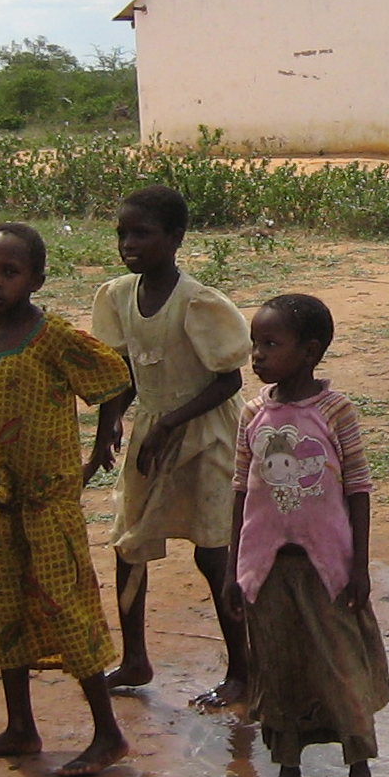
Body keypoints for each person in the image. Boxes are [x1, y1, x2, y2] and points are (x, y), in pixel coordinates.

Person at [0, 223, 136, 777]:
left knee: (68, 609)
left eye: (10, 272)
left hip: (50, 505)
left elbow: (113, 375)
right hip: (4, 502)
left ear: (37, 278)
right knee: (5, 610)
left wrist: (105, 437)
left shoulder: (51, 335)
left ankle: (108, 734)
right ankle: (20, 727)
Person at [223, 294, 389, 777]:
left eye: (271, 344)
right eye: (255, 344)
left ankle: (360, 775)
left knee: (340, 667)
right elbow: (240, 490)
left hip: (326, 567)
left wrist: (359, 566)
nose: (258, 355)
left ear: (310, 351)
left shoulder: (336, 411)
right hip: (267, 566)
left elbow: (357, 487)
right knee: (279, 670)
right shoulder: (253, 413)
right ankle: (288, 773)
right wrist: (233, 567)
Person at [90, 186, 251, 702]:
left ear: (176, 238)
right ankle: (134, 660)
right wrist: (110, 426)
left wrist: (169, 423)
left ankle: (242, 670)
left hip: (207, 435)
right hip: (154, 431)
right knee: (128, 542)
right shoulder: (118, 296)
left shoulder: (198, 302)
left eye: (142, 233)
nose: (129, 243)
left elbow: (229, 380)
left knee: (212, 551)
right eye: (122, 233)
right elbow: (126, 373)